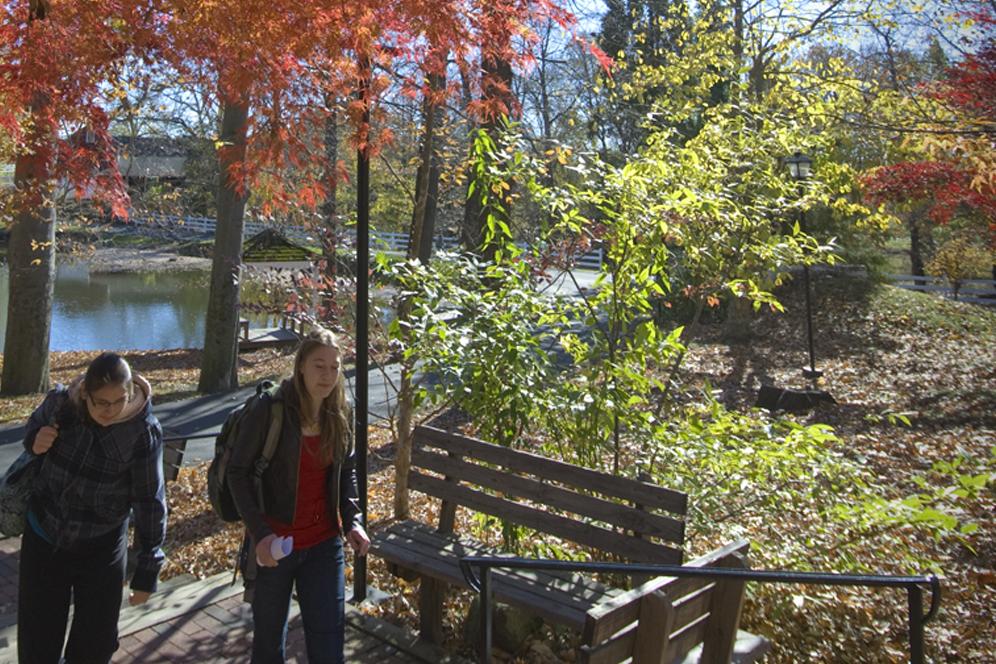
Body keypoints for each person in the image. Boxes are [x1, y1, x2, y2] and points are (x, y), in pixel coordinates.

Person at [229, 327, 369, 664]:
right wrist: (260, 535)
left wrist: (354, 521)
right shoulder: (271, 409)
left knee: (328, 642)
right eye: (319, 365)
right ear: (301, 366)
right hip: (274, 546)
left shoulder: (340, 412)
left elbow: (346, 469)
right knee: (268, 643)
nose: (328, 375)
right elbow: (238, 473)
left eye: (335, 367)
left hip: (323, 545)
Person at [18, 352, 167, 664]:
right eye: (101, 402)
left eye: (119, 401)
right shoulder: (61, 404)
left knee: (93, 647)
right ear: (85, 393)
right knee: (37, 643)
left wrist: (147, 571)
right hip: (45, 535)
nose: (110, 411)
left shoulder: (142, 431)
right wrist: (35, 439)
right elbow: (32, 428)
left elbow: (150, 501)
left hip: (101, 547)